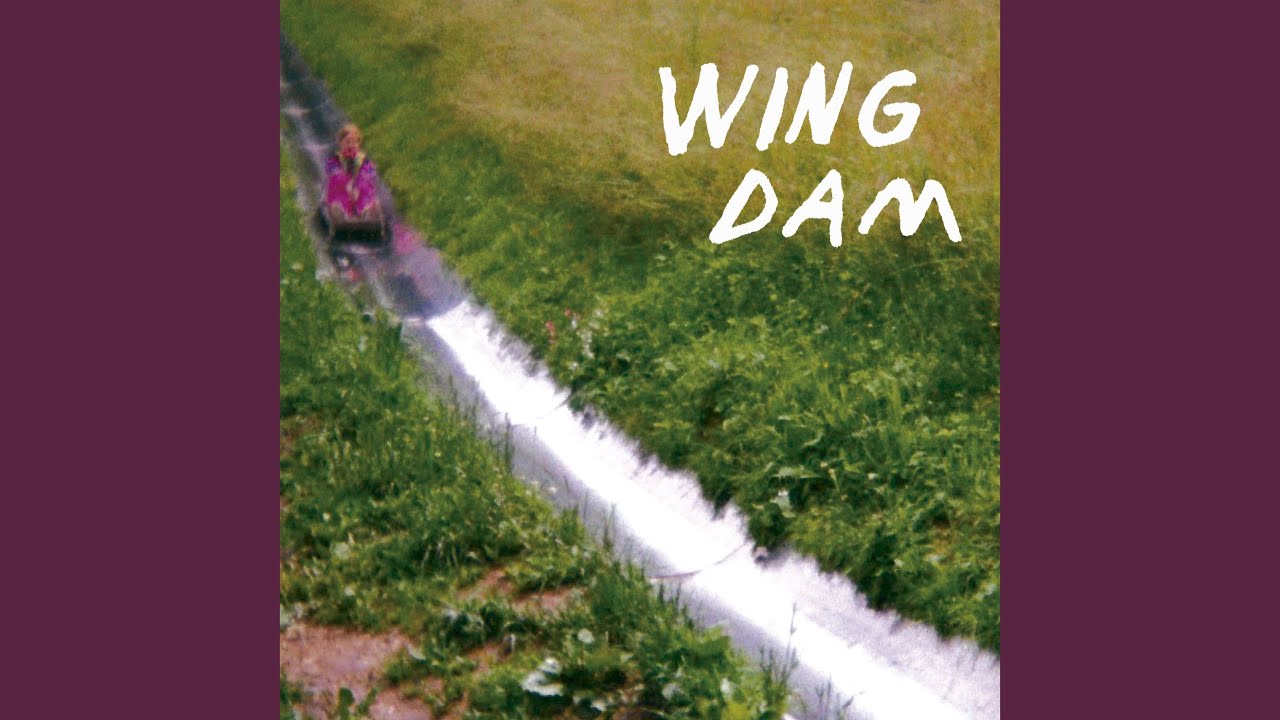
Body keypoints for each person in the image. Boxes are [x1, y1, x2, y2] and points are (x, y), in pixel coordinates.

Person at [323, 124, 381, 222]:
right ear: (341, 143)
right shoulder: (335, 160)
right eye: (347, 142)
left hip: (359, 192)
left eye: (354, 142)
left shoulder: (363, 161)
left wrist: (357, 187)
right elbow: (332, 171)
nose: (351, 145)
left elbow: (369, 172)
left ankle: (366, 211)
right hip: (342, 191)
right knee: (338, 191)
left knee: (366, 189)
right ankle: (340, 212)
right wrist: (346, 183)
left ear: (359, 144)